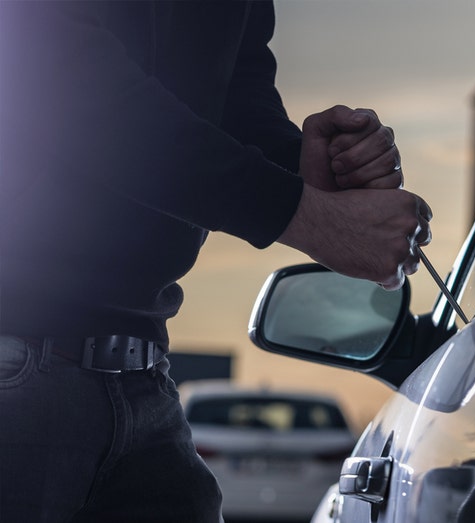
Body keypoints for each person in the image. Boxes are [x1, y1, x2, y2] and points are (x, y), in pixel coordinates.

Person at [0, 1, 431, 521]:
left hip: (142, 372)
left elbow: (235, 96)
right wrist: (309, 217)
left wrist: (309, 168)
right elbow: (62, 79)